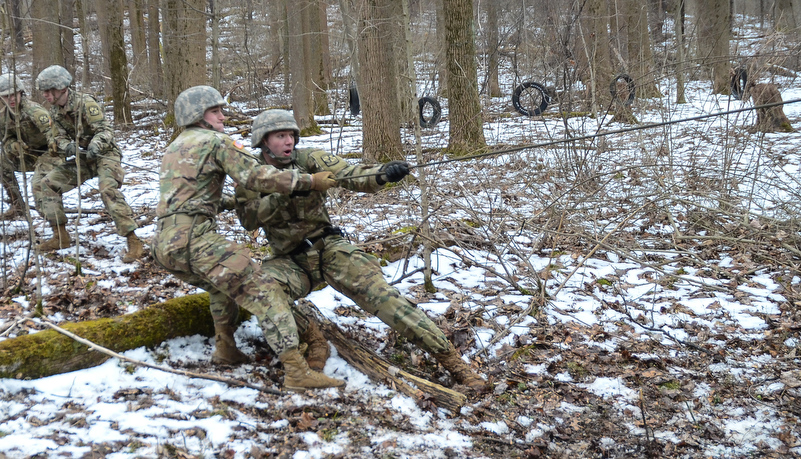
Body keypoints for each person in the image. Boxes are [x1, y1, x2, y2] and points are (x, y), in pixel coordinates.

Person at [233, 109, 489, 394]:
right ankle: (313, 337)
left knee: (383, 297)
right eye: (280, 136)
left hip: (329, 248)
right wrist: (290, 191)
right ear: (263, 141)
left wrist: (383, 175)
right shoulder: (251, 174)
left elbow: (352, 175)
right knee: (259, 289)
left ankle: (453, 362)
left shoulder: (310, 160)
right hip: (289, 260)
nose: (289, 141)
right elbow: (249, 219)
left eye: (291, 135)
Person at [151, 86, 345, 391]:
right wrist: (309, 182)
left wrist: (229, 203)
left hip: (164, 244)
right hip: (195, 240)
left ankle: (225, 349)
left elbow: (190, 195)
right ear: (198, 116)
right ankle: (296, 372)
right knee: (265, 289)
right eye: (215, 111)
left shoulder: (176, 146)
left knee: (223, 285)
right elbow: (258, 176)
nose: (223, 116)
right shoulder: (215, 141)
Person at [33, 65, 143, 262]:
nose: (46, 95)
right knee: (47, 185)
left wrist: (96, 144)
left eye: (50, 91)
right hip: (82, 158)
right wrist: (67, 146)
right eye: (44, 92)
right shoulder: (55, 112)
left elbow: (105, 130)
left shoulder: (85, 103)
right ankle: (60, 236)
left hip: (105, 155)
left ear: (62, 88)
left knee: (107, 189)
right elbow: (56, 138)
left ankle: (133, 240)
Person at [0, 73, 59, 220]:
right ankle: (17, 205)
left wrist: (52, 146)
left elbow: (54, 134)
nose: (11, 99)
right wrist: (13, 146)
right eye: (6, 96)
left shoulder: (34, 111)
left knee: (37, 183)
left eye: (14, 94)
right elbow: (5, 140)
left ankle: (50, 217)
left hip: (50, 155)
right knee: (2, 162)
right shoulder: (4, 117)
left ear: (21, 92)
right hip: (28, 156)